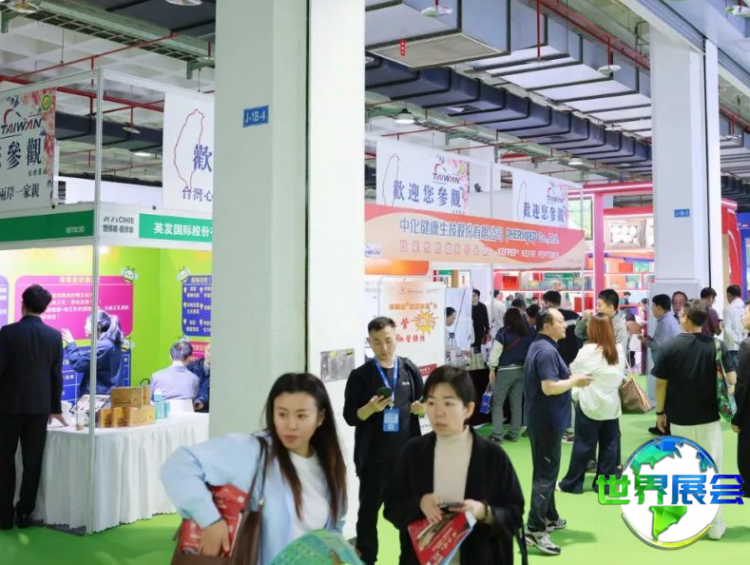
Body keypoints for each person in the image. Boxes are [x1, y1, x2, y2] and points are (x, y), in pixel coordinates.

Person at [161, 373, 348, 562]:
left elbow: (334, 526)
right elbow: (179, 465)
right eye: (282, 414)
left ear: (320, 417)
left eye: (301, 416)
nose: (291, 425)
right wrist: (210, 520)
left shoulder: (329, 464)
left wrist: (336, 552)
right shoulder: (252, 451)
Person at [384, 366, 524, 565]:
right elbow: (392, 507)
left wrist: (483, 512)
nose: (438, 413)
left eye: (448, 403)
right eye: (431, 403)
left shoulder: (492, 456)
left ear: (468, 409)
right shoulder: (413, 452)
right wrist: (420, 503)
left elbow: (514, 515)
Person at [653, 299, 736, 540]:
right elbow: (732, 379)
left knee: (681, 471)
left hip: (679, 420)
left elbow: (660, 384)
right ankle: (716, 525)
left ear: (686, 318)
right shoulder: (717, 346)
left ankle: (686, 523)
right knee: (713, 470)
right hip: (709, 419)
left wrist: (660, 412)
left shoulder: (669, 347)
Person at [343, 317, 425, 565]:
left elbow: (421, 405)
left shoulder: (409, 370)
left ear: (396, 337)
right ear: (369, 342)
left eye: (388, 340)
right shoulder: (360, 376)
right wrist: (368, 409)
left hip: (407, 461)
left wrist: (421, 409)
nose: (384, 347)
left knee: (409, 515)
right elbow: (350, 417)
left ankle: (408, 560)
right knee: (368, 516)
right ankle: (367, 559)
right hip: (373, 460)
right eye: (377, 342)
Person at [524, 309, 592, 556]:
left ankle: (549, 516)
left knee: (547, 470)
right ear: (546, 325)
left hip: (544, 419)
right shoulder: (546, 351)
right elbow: (550, 387)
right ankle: (534, 529)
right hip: (547, 421)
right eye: (561, 322)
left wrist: (572, 377)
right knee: (545, 474)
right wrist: (576, 381)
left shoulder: (543, 347)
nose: (566, 325)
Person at [0, 285, 66, 530]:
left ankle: (3, 516)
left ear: (22, 304)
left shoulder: (7, 333)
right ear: (44, 308)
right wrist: (55, 408)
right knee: (32, 462)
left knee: (4, 460)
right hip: (39, 409)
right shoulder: (54, 336)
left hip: (8, 407)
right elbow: (56, 376)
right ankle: (24, 513)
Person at [558, 314, 624, 494]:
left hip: (589, 403)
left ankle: (573, 483)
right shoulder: (618, 350)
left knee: (583, 445)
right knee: (610, 445)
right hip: (611, 405)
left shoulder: (586, 351)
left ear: (593, 329)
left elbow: (574, 370)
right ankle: (605, 485)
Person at [487, 308, 535, 443]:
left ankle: (497, 435)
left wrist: (492, 368)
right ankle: (514, 434)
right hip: (522, 370)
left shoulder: (503, 332)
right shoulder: (526, 332)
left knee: (497, 402)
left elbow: (496, 351)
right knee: (517, 404)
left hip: (505, 370)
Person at [639, 294, 681, 434]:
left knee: (665, 396)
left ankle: (664, 427)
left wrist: (645, 341)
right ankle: (662, 426)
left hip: (667, 366)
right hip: (671, 364)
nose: (651, 309)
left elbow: (658, 345)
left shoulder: (664, 322)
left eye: (653, 306)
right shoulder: (669, 320)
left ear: (659, 307)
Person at [61, 311, 124, 397]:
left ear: (97, 326)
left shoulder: (104, 347)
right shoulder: (109, 343)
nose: (85, 327)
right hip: (108, 396)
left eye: (87, 324)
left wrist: (70, 343)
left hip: (100, 399)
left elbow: (78, 363)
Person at [575, 289, 629, 363]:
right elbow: (579, 334)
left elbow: (619, 355)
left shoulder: (619, 327)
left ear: (611, 307)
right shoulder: (596, 320)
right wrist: (584, 319)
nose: (597, 308)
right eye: (597, 305)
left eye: (599, 305)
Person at [733, 301, 750, 498]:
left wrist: (736, 416)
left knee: (746, 449)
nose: (742, 316)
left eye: (746, 313)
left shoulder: (747, 345)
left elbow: (743, 384)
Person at [541, 291, 581, 366]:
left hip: (557, 360)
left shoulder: (547, 319)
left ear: (548, 303)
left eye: (543, 303)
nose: (542, 306)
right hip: (576, 358)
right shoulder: (574, 315)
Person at [723, 285, 745, 368]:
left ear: (729, 294)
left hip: (733, 346)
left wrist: (738, 340)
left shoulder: (728, 309)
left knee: (734, 372)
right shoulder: (746, 307)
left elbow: (728, 329)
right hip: (746, 345)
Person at [188, 343, 212, 412]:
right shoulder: (191, 366)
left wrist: (201, 401)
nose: (210, 354)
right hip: (190, 407)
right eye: (209, 351)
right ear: (204, 351)